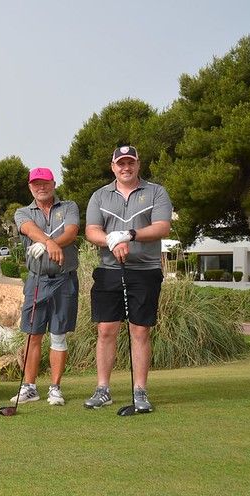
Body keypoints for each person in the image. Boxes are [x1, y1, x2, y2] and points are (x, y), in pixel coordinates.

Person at [83, 146, 172, 412]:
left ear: (138, 164)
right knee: (106, 330)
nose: (125, 167)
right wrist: (111, 239)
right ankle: (103, 390)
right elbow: (92, 230)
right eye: (120, 163)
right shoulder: (99, 196)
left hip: (145, 270)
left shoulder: (156, 192)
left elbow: (161, 227)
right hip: (109, 270)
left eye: (130, 163)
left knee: (140, 330)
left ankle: (140, 391)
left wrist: (129, 235)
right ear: (113, 167)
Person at [10, 167, 80, 406]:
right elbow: (28, 228)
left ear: (53, 184)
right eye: (36, 184)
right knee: (33, 334)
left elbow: (71, 232)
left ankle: (55, 388)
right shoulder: (22, 212)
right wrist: (50, 242)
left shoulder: (69, 207)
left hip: (64, 278)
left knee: (58, 335)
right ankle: (29, 387)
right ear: (30, 187)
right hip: (36, 278)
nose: (41, 187)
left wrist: (50, 244)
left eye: (45, 183)